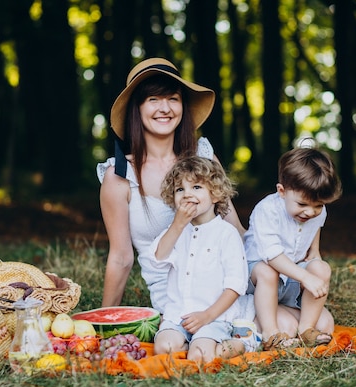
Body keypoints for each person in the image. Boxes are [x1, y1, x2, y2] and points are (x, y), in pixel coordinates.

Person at [97, 57, 245, 314]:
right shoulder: (120, 176)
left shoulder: (204, 157)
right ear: (137, 108)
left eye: (173, 99)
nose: (164, 108)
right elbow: (121, 257)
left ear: (183, 107)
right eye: (153, 99)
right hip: (175, 297)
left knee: (297, 319)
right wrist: (103, 318)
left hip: (225, 284)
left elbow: (234, 227)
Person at [142, 156, 254, 362]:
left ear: (215, 195)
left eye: (196, 187)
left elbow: (235, 285)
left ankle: (242, 343)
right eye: (179, 190)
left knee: (200, 356)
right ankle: (191, 343)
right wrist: (177, 224)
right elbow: (157, 258)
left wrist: (208, 316)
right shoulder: (175, 230)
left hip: (214, 317)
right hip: (178, 315)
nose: (187, 195)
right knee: (162, 348)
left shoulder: (226, 234)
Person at [243, 146, 342, 350]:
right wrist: (305, 278)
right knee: (267, 271)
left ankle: (306, 329)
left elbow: (314, 239)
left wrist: (314, 258)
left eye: (318, 205)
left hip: (290, 281)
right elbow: (272, 257)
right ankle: (271, 332)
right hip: (258, 281)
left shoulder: (317, 211)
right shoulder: (267, 210)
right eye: (303, 204)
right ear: (282, 191)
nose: (311, 212)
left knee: (322, 273)